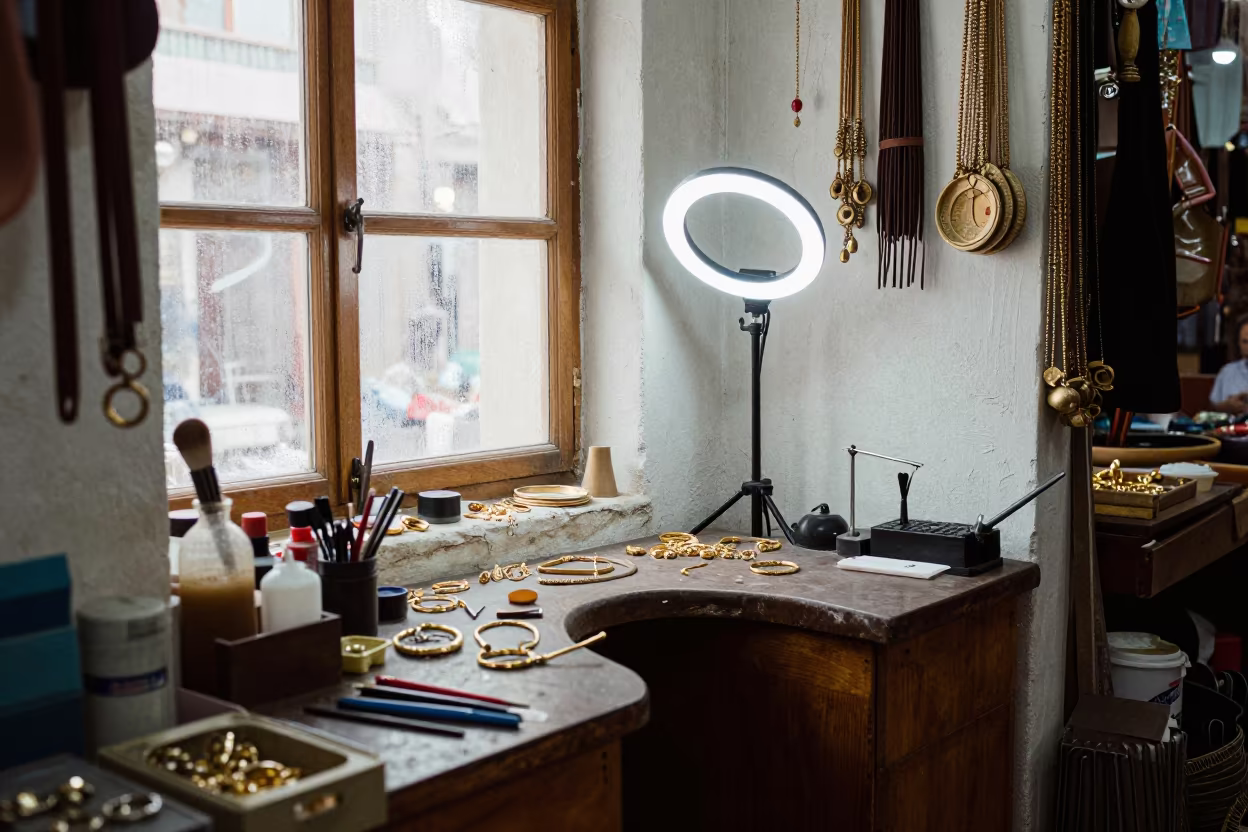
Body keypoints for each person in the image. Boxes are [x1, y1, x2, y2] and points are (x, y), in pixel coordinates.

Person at [1211, 314, 1248, 413]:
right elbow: (1214, 406)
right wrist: (1227, 406)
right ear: (1238, 343)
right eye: (1245, 342)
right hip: (1229, 425)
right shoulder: (1227, 371)